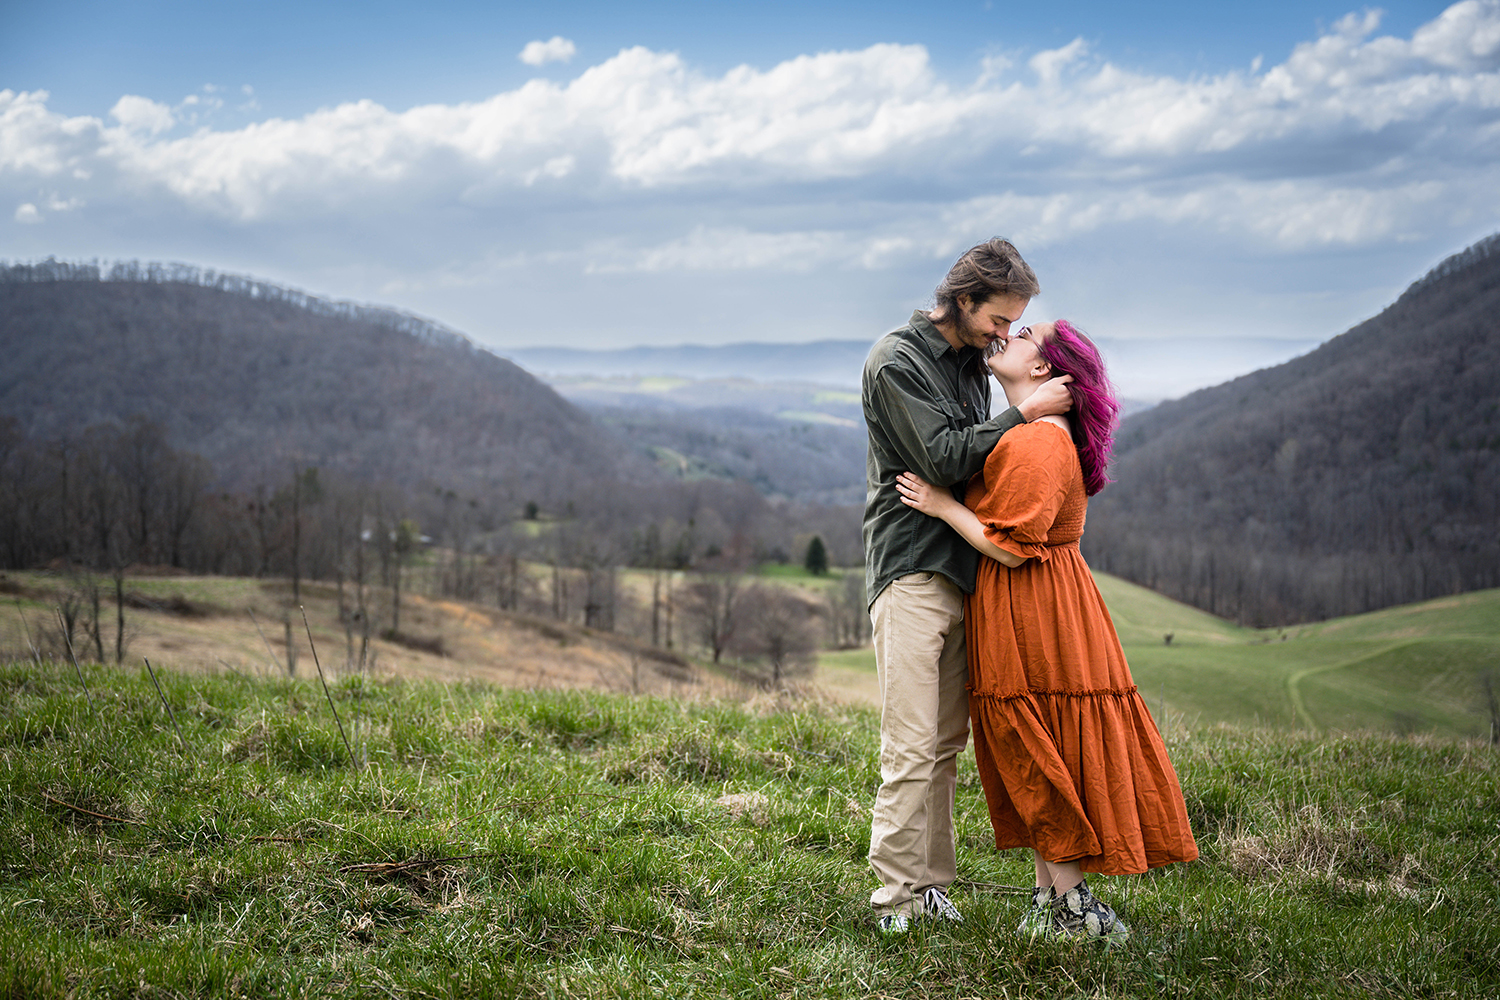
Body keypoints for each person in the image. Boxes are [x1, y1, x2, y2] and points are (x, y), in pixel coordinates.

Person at [896, 319, 1199, 945]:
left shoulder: (1038, 443)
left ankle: (1070, 905)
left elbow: (1009, 549)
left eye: (1028, 332)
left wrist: (941, 504)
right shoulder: (1035, 432)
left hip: (1033, 608)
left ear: (1043, 369)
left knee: (1037, 740)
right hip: (1040, 605)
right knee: (1043, 739)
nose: (1013, 330)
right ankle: (1054, 900)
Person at [861, 239, 1074, 933]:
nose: (1006, 335)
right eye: (999, 319)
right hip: (913, 568)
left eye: (1016, 324)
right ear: (963, 299)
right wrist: (1028, 410)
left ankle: (929, 887)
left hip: (962, 570)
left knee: (946, 745)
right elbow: (946, 458)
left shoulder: (967, 365)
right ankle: (894, 900)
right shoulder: (898, 361)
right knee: (911, 745)